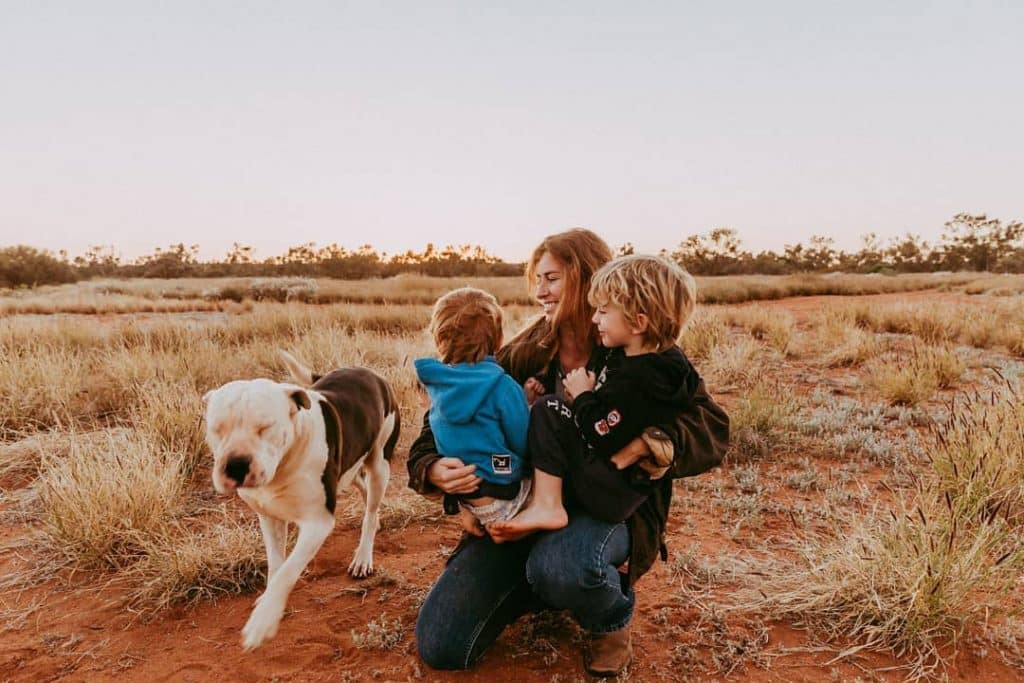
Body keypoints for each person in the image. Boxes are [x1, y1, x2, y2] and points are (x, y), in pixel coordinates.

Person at [407, 228, 730, 676]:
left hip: (606, 511)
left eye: (552, 278)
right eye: (535, 279)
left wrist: (654, 443)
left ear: (586, 277)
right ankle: (538, 585)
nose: (540, 291)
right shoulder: (522, 352)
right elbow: (440, 420)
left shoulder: (639, 349)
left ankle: (606, 616)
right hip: (521, 508)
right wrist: (434, 469)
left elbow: (713, 425)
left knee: (563, 565)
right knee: (442, 644)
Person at [489, 254, 701, 538]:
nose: (594, 318)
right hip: (619, 487)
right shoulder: (660, 362)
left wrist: (582, 398)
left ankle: (546, 505)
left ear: (638, 322)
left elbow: (604, 433)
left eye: (602, 310)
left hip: (610, 488)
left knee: (548, 408)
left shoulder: (639, 377)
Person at [413, 287, 531, 530]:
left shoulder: (439, 388)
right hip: (506, 494)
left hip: (465, 496)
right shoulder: (502, 386)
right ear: (498, 340)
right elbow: (522, 440)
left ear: (439, 339)